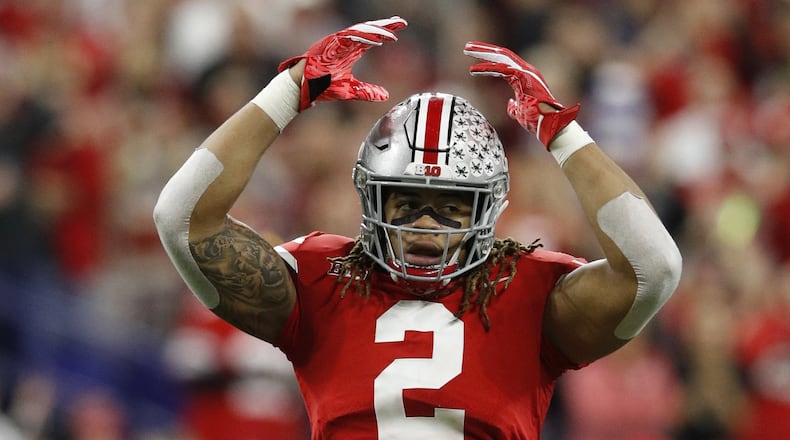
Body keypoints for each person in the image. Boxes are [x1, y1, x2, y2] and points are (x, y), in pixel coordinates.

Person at [153, 16, 683, 439]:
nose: (427, 225)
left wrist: (560, 132)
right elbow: (182, 221)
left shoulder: (528, 290)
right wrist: (290, 88)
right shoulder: (323, 280)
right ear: (370, 197)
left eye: (451, 207)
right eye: (406, 202)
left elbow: (654, 268)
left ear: (488, 209)